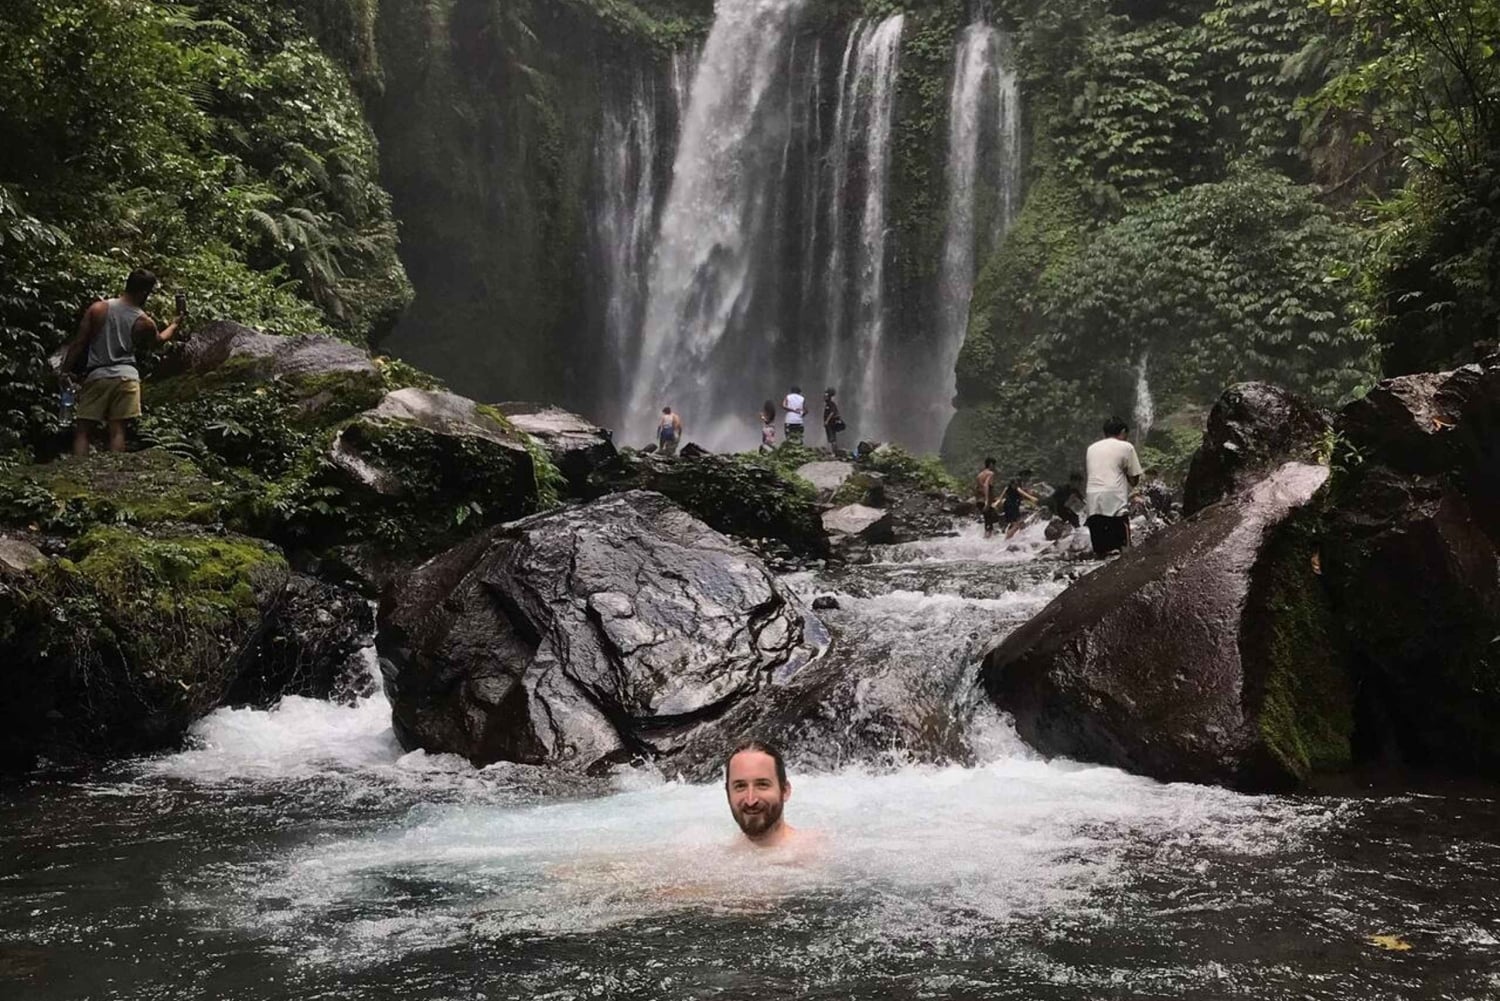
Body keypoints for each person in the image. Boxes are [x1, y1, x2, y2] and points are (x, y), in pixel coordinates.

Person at [60, 268, 183, 456]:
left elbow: (79, 343)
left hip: (98, 375)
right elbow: (158, 342)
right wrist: (175, 324)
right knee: (117, 429)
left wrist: (65, 371)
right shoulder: (144, 321)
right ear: (143, 292)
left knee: (83, 430)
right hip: (127, 377)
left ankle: (79, 471)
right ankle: (115, 473)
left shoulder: (98, 308)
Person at [1084, 417, 1143, 557]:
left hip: (1093, 502)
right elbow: (1134, 480)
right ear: (1123, 431)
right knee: (1125, 552)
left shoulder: (1091, 448)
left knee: (1101, 552)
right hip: (1114, 502)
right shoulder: (1126, 447)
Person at [724, 739, 797, 848]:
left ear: (785, 791)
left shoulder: (815, 854)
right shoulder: (713, 857)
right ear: (728, 793)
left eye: (762, 785)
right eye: (740, 786)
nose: (750, 800)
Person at [1001, 471, 1040, 540]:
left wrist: (997, 503)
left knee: (1021, 524)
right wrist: (1032, 498)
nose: (1015, 485)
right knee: (1016, 525)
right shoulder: (1017, 487)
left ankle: (1024, 538)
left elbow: (1002, 496)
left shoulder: (1007, 488)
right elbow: (1022, 493)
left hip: (1008, 506)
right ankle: (1006, 540)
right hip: (1012, 507)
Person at [975, 456, 999, 538]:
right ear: (991, 464)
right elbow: (986, 486)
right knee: (991, 521)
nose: (994, 467)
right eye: (994, 464)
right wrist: (987, 501)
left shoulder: (979, 475)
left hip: (979, 500)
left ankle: (987, 539)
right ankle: (988, 540)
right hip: (986, 501)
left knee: (988, 520)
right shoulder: (990, 474)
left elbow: (978, 488)